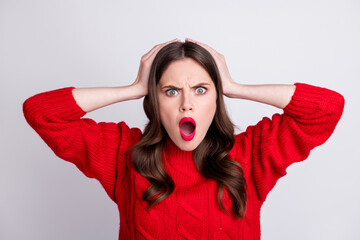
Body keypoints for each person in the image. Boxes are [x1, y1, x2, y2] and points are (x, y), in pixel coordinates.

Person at [23, 38, 345, 239]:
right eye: (171, 90)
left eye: (201, 90)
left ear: (216, 100)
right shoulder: (124, 155)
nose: (187, 103)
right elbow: (40, 113)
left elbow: (327, 109)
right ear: (156, 100)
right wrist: (135, 88)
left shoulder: (249, 156)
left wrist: (234, 87)